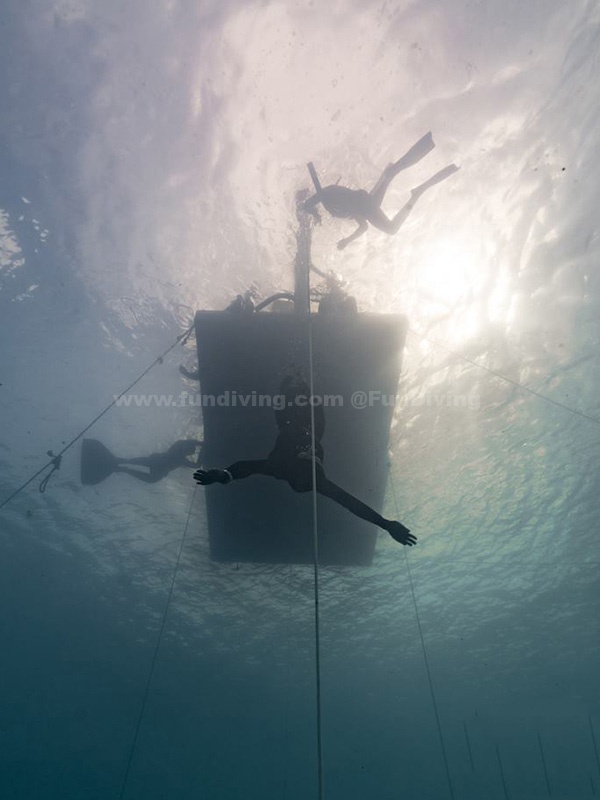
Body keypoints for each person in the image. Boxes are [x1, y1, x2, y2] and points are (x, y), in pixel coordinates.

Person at [193, 374, 415, 546]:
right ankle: (301, 382)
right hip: (314, 428)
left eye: (307, 461)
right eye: (312, 462)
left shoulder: (279, 468)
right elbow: (350, 503)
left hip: (288, 423)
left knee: (290, 393)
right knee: (305, 395)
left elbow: (246, 467)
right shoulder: (317, 480)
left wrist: (225, 475)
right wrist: (385, 524)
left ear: (293, 477)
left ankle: (291, 381)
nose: (309, 458)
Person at [303, 131, 459, 249]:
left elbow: (361, 219)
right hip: (366, 203)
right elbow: (362, 223)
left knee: (391, 228)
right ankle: (396, 178)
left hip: (366, 204)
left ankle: (415, 192)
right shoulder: (333, 203)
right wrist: (317, 215)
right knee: (391, 175)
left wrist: (346, 240)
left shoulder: (330, 197)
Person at [81, 439, 203, 485]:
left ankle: (122, 467)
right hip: (157, 462)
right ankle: (121, 466)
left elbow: (196, 465)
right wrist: (201, 444)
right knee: (151, 477)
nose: (190, 454)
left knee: (151, 478)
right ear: (187, 449)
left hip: (157, 464)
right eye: (190, 451)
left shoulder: (181, 457)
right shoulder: (179, 451)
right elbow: (196, 464)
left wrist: (202, 445)